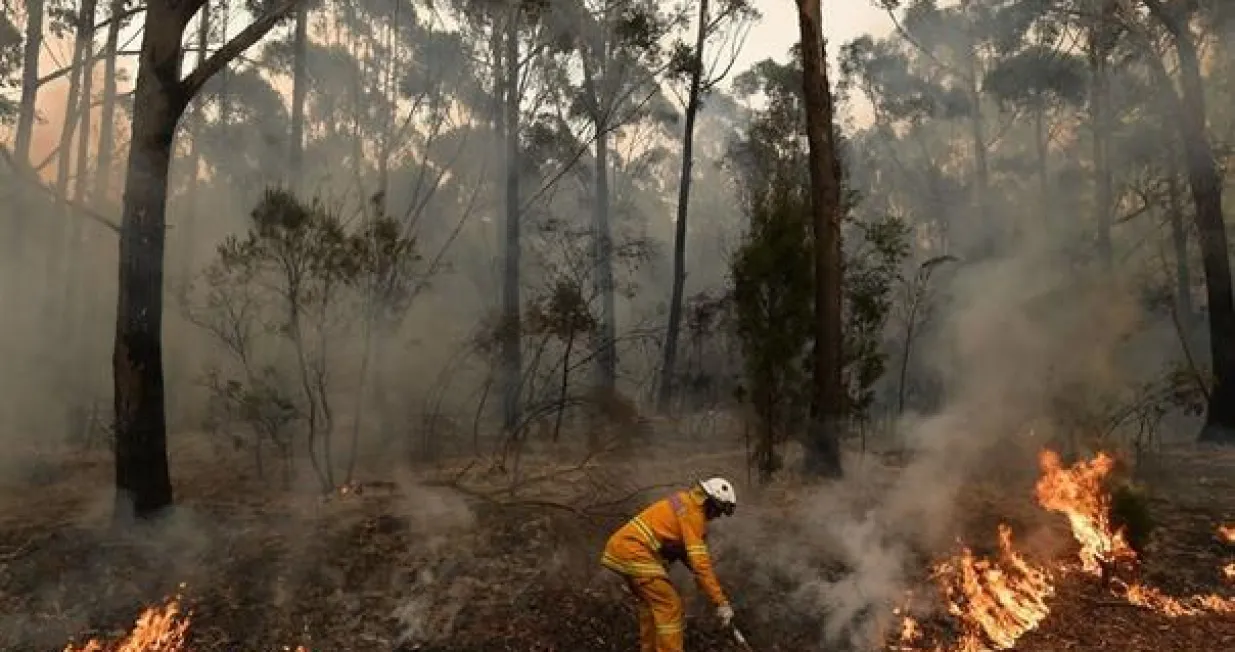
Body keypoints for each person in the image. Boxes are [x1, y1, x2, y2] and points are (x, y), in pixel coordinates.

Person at [600, 477, 738, 652]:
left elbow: (680, 550)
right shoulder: (693, 514)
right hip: (635, 552)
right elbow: (700, 564)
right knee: (670, 605)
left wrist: (704, 581)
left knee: (651, 606)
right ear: (709, 502)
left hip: (623, 548)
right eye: (718, 510)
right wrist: (721, 603)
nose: (716, 516)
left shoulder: (684, 503)